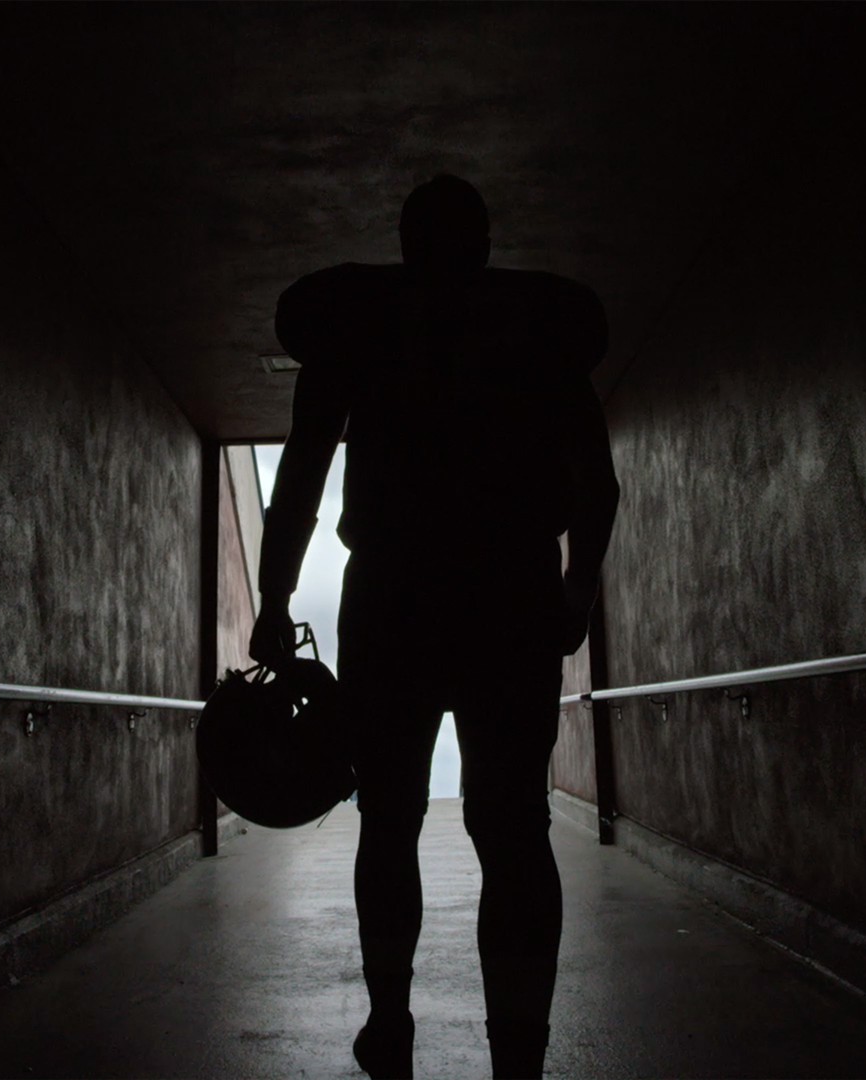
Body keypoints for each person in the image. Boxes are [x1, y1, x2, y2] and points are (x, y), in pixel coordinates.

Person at [249, 175, 619, 1079]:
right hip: (511, 594)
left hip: (393, 597)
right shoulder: (537, 334)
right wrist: (574, 595)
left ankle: (390, 1022)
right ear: (484, 246)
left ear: (405, 245)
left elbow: (303, 472)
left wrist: (274, 598)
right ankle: (519, 1058)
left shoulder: (358, 328)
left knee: (389, 822)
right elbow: (598, 485)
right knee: (515, 829)